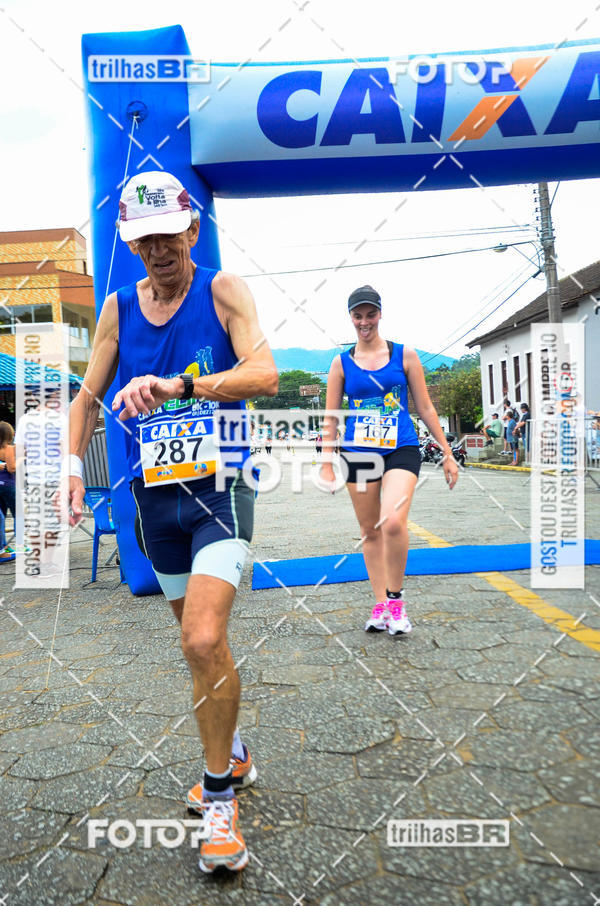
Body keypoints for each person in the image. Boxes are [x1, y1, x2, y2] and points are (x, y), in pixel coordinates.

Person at [64, 172, 278, 874]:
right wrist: (69, 465)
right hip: (155, 501)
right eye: (143, 239)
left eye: (169, 235)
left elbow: (265, 375)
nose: (158, 249)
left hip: (222, 487)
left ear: (192, 231)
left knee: (204, 633)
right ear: (131, 243)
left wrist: (181, 384)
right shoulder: (118, 310)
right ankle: (236, 749)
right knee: (198, 649)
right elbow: (88, 399)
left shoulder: (223, 291)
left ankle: (220, 802)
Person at [320, 285, 458, 635]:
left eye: (370, 314)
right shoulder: (341, 362)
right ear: (351, 318)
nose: (364, 321)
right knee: (369, 531)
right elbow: (331, 416)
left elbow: (425, 407)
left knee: (393, 522)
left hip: (401, 448)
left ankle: (396, 602)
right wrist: (325, 460)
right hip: (358, 453)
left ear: (380, 314)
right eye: (358, 315)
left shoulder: (405, 355)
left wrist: (447, 452)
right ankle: (380, 604)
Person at [0, 422, 16, 563]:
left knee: (2, 516)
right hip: (9, 486)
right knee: (19, 515)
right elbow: (11, 468)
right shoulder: (9, 449)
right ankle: (22, 545)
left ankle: (3, 546)